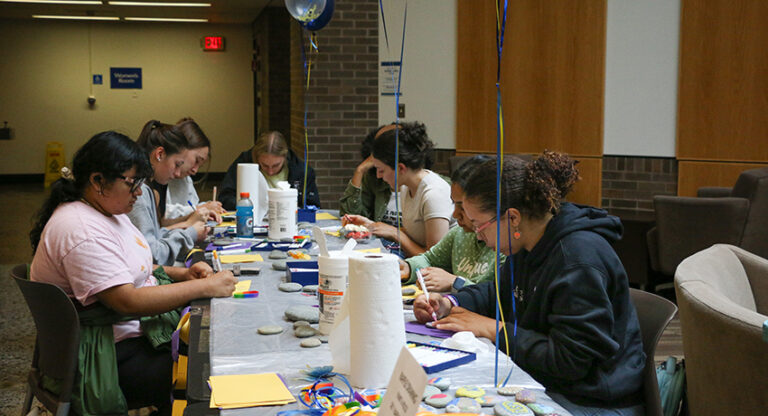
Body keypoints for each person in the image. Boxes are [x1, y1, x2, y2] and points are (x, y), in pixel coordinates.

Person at [413, 152, 646, 415]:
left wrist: (495, 330)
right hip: (554, 383)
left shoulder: (577, 261)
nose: (478, 236)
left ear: (512, 218)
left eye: (479, 225)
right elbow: (500, 292)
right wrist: (449, 302)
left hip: (592, 400)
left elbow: (570, 361)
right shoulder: (527, 244)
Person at [29, 131, 237, 415]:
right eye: (133, 182)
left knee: (208, 344)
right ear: (98, 181)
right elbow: (126, 300)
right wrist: (205, 288)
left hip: (120, 339)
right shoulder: (80, 229)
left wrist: (182, 275)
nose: (140, 192)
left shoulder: (106, 212)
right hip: (102, 357)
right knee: (205, 368)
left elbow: (134, 267)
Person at [342, 122, 453, 257]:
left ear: (400, 168)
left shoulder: (434, 195)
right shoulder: (407, 187)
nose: (378, 176)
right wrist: (371, 225)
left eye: (381, 170)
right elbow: (415, 233)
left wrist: (395, 233)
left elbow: (435, 260)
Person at [399, 155, 504, 291]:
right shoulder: (459, 234)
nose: (455, 214)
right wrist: (407, 268)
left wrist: (455, 282)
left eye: (463, 207)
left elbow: (497, 297)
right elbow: (430, 259)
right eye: (454, 204)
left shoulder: (505, 246)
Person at [127, 120, 215, 266]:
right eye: (177, 164)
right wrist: (190, 233)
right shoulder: (139, 193)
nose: (178, 173)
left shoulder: (148, 189)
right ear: (160, 154)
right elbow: (152, 256)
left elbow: (154, 238)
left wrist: (188, 228)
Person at [219, 131, 320, 210]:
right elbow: (225, 198)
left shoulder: (302, 171)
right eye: (265, 165)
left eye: (276, 165)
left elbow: (313, 205)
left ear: (285, 157)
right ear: (257, 158)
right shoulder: (243, 165)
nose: (270, 172)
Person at [164, 117, 225, 221]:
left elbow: (192, 204)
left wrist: (208, 207)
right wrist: (200, 209)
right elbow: (163, 214)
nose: (195, 171)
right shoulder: (160, 175)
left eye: (199, 166)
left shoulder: (185, 179)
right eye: (196, 160)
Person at [338, 123, 399, 222]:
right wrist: (360, 170)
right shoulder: (375, 179)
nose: (379, 175)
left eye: (382, 170)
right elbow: (350, 218)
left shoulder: (423, 188)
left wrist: (390, 232)